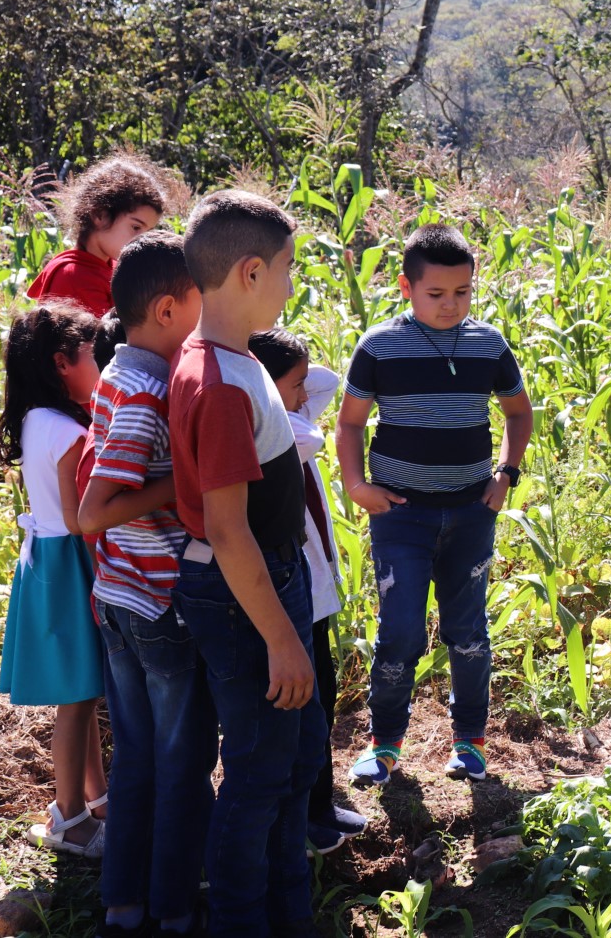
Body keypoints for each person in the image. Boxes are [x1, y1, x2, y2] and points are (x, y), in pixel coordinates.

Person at [167, 190, 324, 938]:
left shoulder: (228, 357)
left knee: (288, 769)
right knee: (259, 776)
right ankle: (240, 922)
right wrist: (283, 639)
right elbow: (229, 532)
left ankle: (290, 913)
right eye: (289, 270)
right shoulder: (223, 382)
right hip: (246, 598)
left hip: (266, 585)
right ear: (252, 272)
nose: (293, 286)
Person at [338, 224, 533, 786]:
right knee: (399, 630)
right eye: (436, 294)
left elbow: (519, 413)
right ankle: (385, 743)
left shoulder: (488, 344)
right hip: (401, 514)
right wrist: (356, 486)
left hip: (472, 512)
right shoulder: (379, 346)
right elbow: (350, 426)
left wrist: (506, 474)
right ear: (406, 287)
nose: (451, 305)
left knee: (467, 631)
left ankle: (470, 741)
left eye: (463, 292)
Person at [77, 231, 213, 937]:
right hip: (157, 601)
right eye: (201, 299)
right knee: (182, 760)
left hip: (119, 596)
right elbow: (94, 509)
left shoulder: (120, 370)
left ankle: (123, 904)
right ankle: (173, 908)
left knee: (135, 755)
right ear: (167, 309)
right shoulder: (149, 385)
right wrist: (182, 483)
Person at [0, 301, 108, 857]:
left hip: (44, 560)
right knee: (80, 700)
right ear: (63, 362)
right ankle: (69, 817)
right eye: (94, 357)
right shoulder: (70, 432)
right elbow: (78, 518)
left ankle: (95, 799)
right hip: (69, 565)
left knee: (78, 693)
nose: (103, 368)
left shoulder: (40, 420)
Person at [249, 328, 369, 854]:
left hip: (315, 590)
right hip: (293, 594)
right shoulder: (282, 433)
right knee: (303, 711)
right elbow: (312, 430)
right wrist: (272, 392)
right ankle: (304, 821)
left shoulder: (289, 415)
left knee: (320, 702)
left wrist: (287, 378)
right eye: (293, 385)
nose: (306, 394)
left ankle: (321, 805)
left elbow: (325, 383)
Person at [28, 155, 167, 317]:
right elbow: (103, 340)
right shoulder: (74, 276)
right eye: (135, 227)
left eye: (148, 231)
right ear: (100, 215)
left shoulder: (113, 266)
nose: (143, 239)